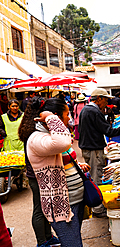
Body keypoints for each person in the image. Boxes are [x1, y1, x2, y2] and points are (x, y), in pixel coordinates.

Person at [23, 97, 90, 246]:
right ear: (57, 117)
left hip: (75, 199)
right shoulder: (36, 138)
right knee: (73, 244)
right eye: (67, 114)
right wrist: (50, 117)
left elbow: (66, 154)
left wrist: (78, 165)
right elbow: (63, 143)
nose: (70, 118)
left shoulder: (55, 134)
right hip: (62, 205)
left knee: (74, 240)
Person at [78, 88, 120, 217]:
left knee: (95, 175)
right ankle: (98, 209)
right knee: (96, 176)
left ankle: (97, 207)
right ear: (98, 98)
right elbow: (108, 131)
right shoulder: (94, 111)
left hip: (88, 147)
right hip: (94, 149)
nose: (107, 102)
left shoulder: (86, 109)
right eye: (105, 99)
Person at [18, 97, 61, 247]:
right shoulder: (35, 131)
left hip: (37, 173)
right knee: (39, 208)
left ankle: (48, 237)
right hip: (36, 175)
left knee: (45, 208)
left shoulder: (31, 126)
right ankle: (41, 242)